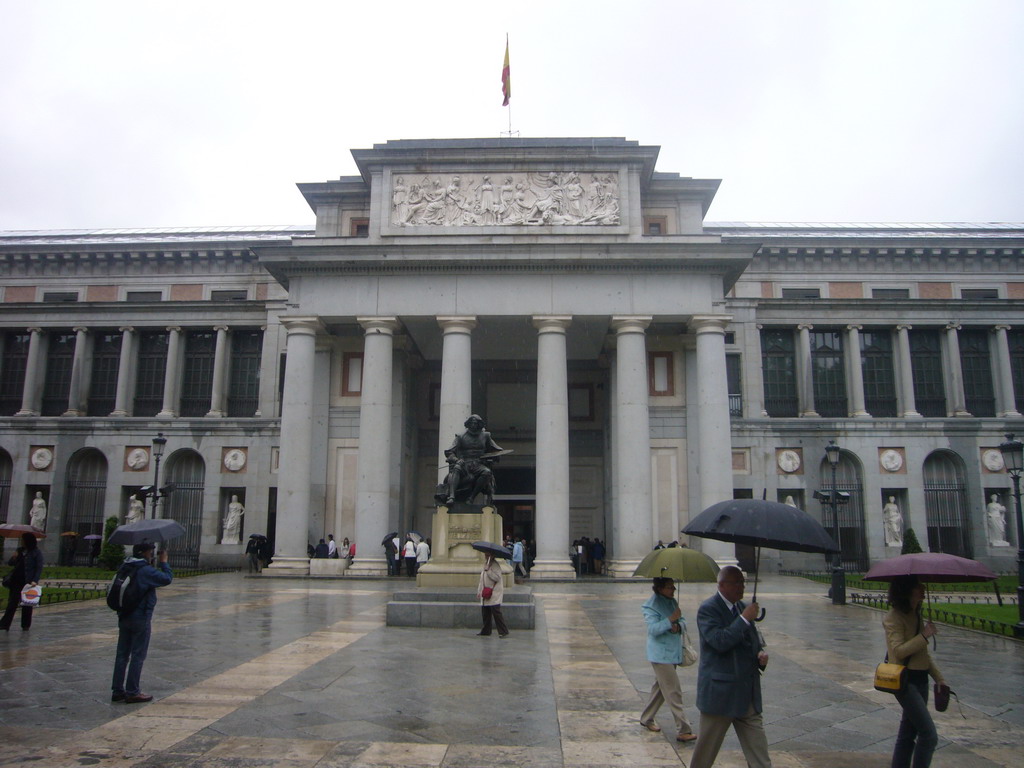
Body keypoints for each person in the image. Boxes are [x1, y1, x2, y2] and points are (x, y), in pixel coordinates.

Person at [689, 565, 771, 768]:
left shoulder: (742, 607)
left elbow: (752, 641)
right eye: (737, 583)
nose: (741, 587)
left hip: (747, 693)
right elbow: (719, 641)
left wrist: (759, 655)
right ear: (722, 584)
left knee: (759, 751)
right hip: (720, 695)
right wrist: (744, 619)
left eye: (743, 582)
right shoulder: (708, 609)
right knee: (705, 754)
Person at [884, 575, 946, 768]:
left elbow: (922, 654)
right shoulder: (893, 617)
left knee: (908, 733)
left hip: (921, 680)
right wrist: (924, 635)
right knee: (929, 734)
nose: (923, 588)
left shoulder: (916, 614)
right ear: (907, 590)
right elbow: (898, 651)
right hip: (905, 681)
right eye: (918, 585)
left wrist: (939, 679)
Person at [111, 542, 172, 703]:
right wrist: (164, 562)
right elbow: (167, 579)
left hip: (124, 614)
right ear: (144, 553)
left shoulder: (126, 565)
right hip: (140, 615)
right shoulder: (145, 570)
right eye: (150, 551)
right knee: (138, 654)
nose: (152, 554)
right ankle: (132, 691)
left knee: (122, 654)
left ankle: (117, 690)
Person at [639, 577, 697, 743]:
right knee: (673, 691)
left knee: (660, 689)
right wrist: (670, 620)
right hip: (660, 655)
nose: (673, 590)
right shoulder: (651, 605)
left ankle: (646, 718)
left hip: (672, 653)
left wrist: (678, 625)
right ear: (660, 588)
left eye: (673, 587)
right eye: (670, 587)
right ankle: (683, 729)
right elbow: (653, 629)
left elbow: (683, 621)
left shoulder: (671, 602)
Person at [442, 414, 504, 505]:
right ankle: (452, 496)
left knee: (486, 472)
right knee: (457, 468)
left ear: (479, 424)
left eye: (476, 423)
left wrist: (496, 455)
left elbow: (496, 449)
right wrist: (456, 460)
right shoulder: (460, 436)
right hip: (464, 463)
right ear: (468, 424)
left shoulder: (486, 436)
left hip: (478, 464)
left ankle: (471, 498)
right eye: (472, 423)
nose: (474, 425)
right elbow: (449, 452)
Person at [1, 533, 43, 631]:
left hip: (27, 582)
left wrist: (35, 580)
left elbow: (38, 567)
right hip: (16, 580)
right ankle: (5, 624)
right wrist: (14, 557)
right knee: (12, 603)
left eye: (23, 540)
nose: (22, 542)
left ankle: (25, 625)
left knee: (27, 604)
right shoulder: (20, 550)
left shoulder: (36, 552)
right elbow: (11, 563)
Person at [476, 554, 508, 637]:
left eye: (488, 554)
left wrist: (489, 571)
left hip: (494, 591)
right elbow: (482, 579)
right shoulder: (486, 563)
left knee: (496, 611)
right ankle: (486, 630)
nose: (486, 556)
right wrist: (479, 590)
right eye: (485, 554)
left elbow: (497, 577)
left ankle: (503, 631)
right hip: (486, 591)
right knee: (485, 611)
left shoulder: (495, 565)